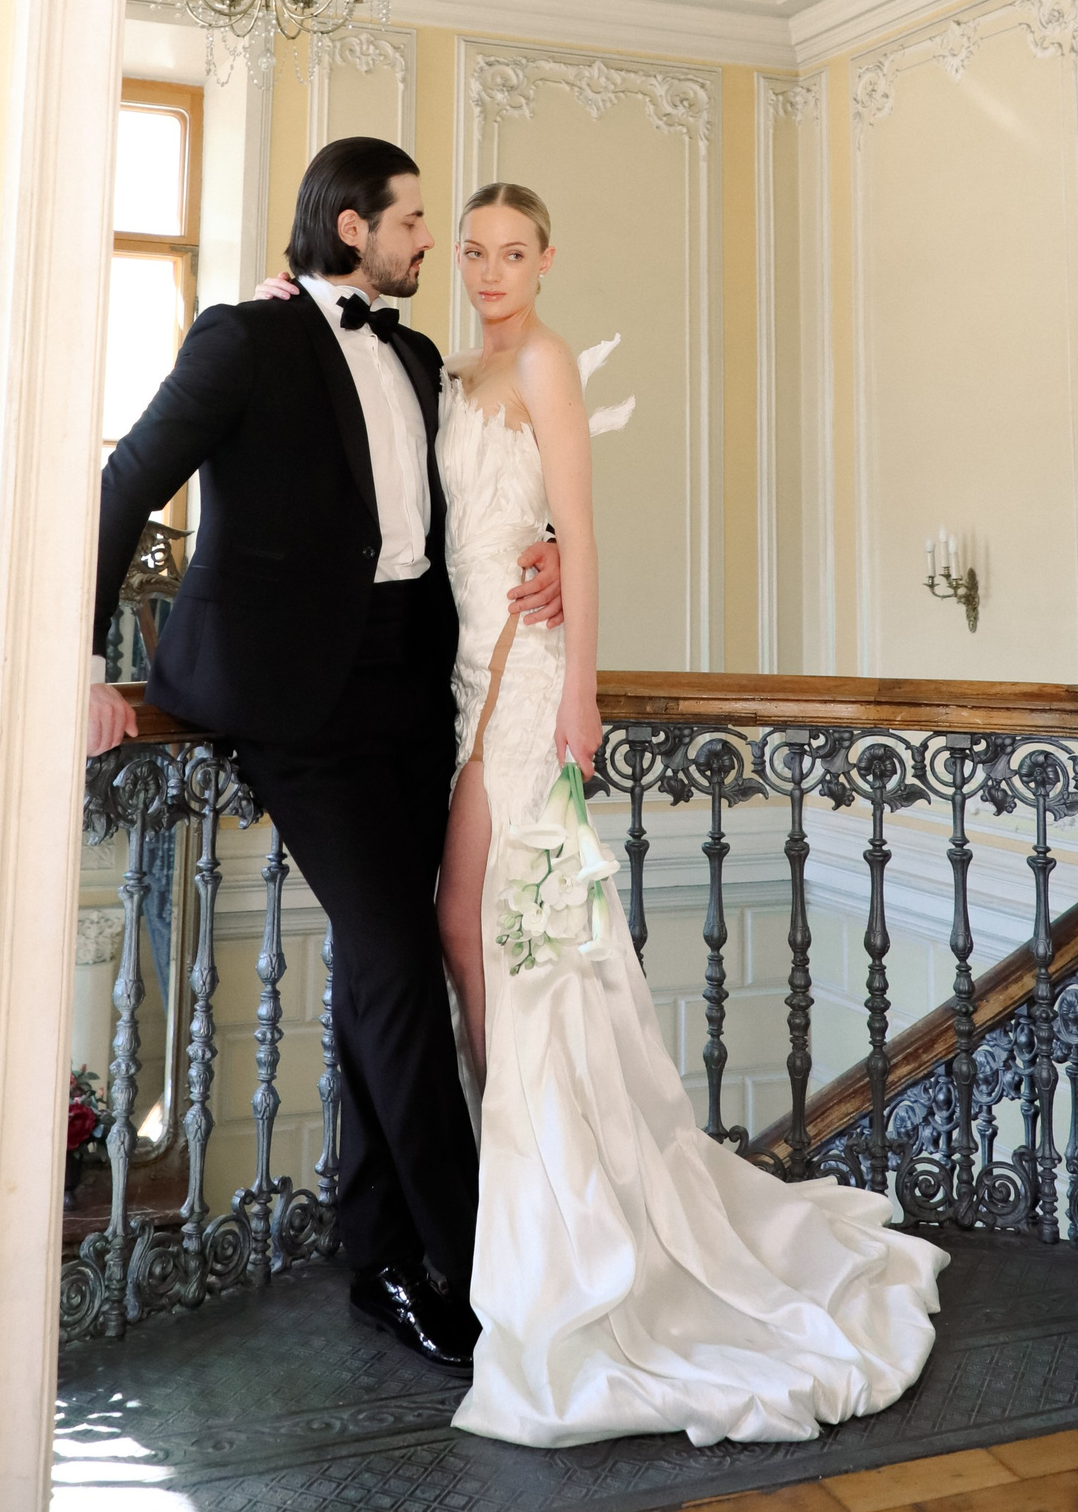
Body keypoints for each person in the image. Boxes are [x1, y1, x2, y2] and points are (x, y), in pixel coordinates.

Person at [261, 182, 945, 1447]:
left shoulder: (549, 364)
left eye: (512, 252)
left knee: (483, 927)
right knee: (480, 931)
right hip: (461, 674)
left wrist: (581, 691)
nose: (489, 269)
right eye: (473, 250)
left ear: (546, 260)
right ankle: (521, 1195)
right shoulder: (447, 369)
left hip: (527, 681)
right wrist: (283, 302)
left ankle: (543, 1202)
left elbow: (579, 531)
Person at [87, 139, 561, 1373]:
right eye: (413, 223)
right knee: (398, 958)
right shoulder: (243, 340)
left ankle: (382, 1255)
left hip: (416, 693)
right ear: (353, 227)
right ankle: (480, 1267)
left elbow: (491, 484)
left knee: (379, 971)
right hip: (297, 709)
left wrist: (555, 547)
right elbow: (126, 481)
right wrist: (82, 664)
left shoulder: (412, 354)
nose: (428, 244)